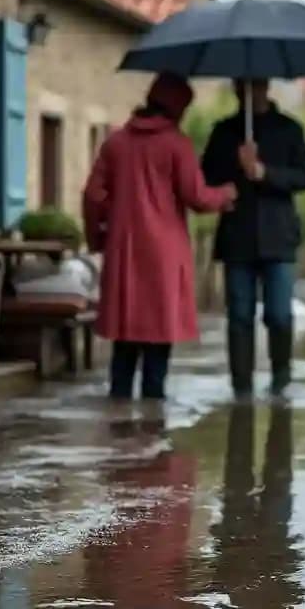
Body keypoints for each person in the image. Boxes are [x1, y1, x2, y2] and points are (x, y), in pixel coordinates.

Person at [84, 73, 237, 400]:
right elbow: (197, 197)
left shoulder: (116, 143)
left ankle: (120, 428)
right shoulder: (176, 145)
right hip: (164, 255)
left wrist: (99, 238)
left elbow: (93, 195)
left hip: (123, 251)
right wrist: (225, 194)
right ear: (178, 108)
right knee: (157, 340)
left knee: (124, 342)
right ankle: (153, 431)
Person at [201, 78, 305, 398]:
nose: (246, 94)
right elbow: (206, 176)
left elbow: (304, 176)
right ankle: (242, 386)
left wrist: (265, 173)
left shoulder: (289, 130)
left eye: (253, 88)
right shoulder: (223, 132)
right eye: (241, 88)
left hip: (279, 237)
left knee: (278, 313)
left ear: (265, 88)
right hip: (238, 235)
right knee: (239, 315)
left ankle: (281, 378)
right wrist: (235, 169)